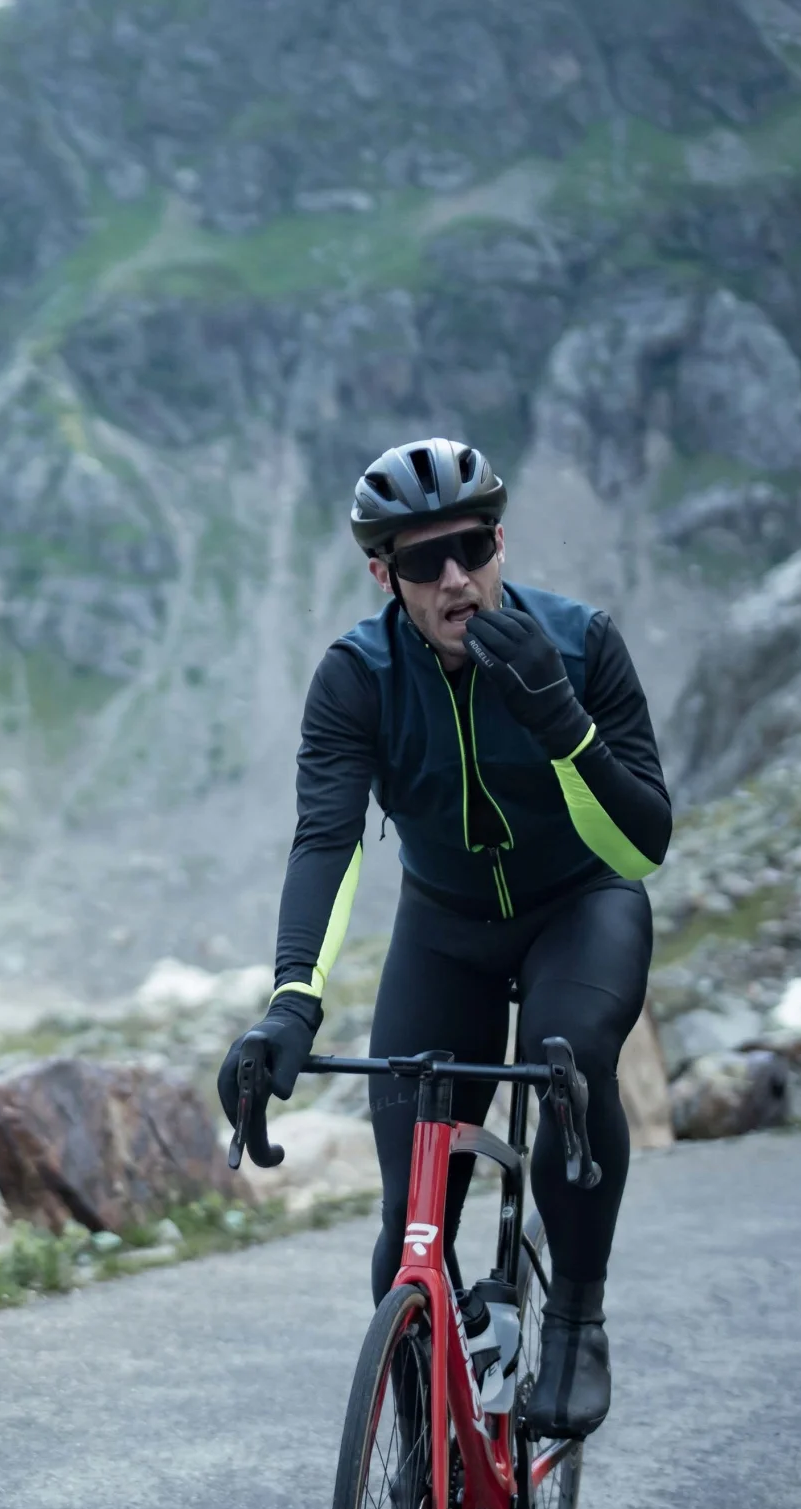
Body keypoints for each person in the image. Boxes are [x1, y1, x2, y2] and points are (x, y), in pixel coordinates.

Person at [217, 436, 671, 1444]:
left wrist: (560, 721)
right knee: (409, 1216)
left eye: (473, 547)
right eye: (425, 561)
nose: (456, 578)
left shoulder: (581, 642)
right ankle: (425, 1447)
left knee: (569, 1058)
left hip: (579, 904)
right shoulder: (358, 678)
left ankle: (576, 1315)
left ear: (500, 543)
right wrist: (292, 1000)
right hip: (445, 928)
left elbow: (640, 843)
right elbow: (327, 842)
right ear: (385, 576)